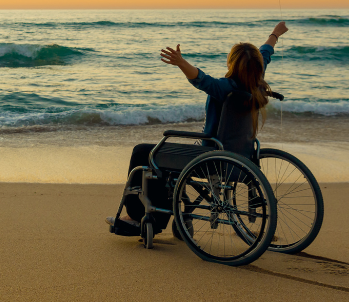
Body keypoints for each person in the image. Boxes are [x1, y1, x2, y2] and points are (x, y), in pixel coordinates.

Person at [110, 21, 288, 232]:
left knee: (144, 153)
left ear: (231, 64)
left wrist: (180, 62)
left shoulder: (225, 88)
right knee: (164, 158)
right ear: (257, 67)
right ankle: (176, 219)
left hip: (212, 157)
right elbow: (265, 53)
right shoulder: (256, 84)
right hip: (241, 159)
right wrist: (274, 34)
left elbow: (201, 79)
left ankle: (136, 216)